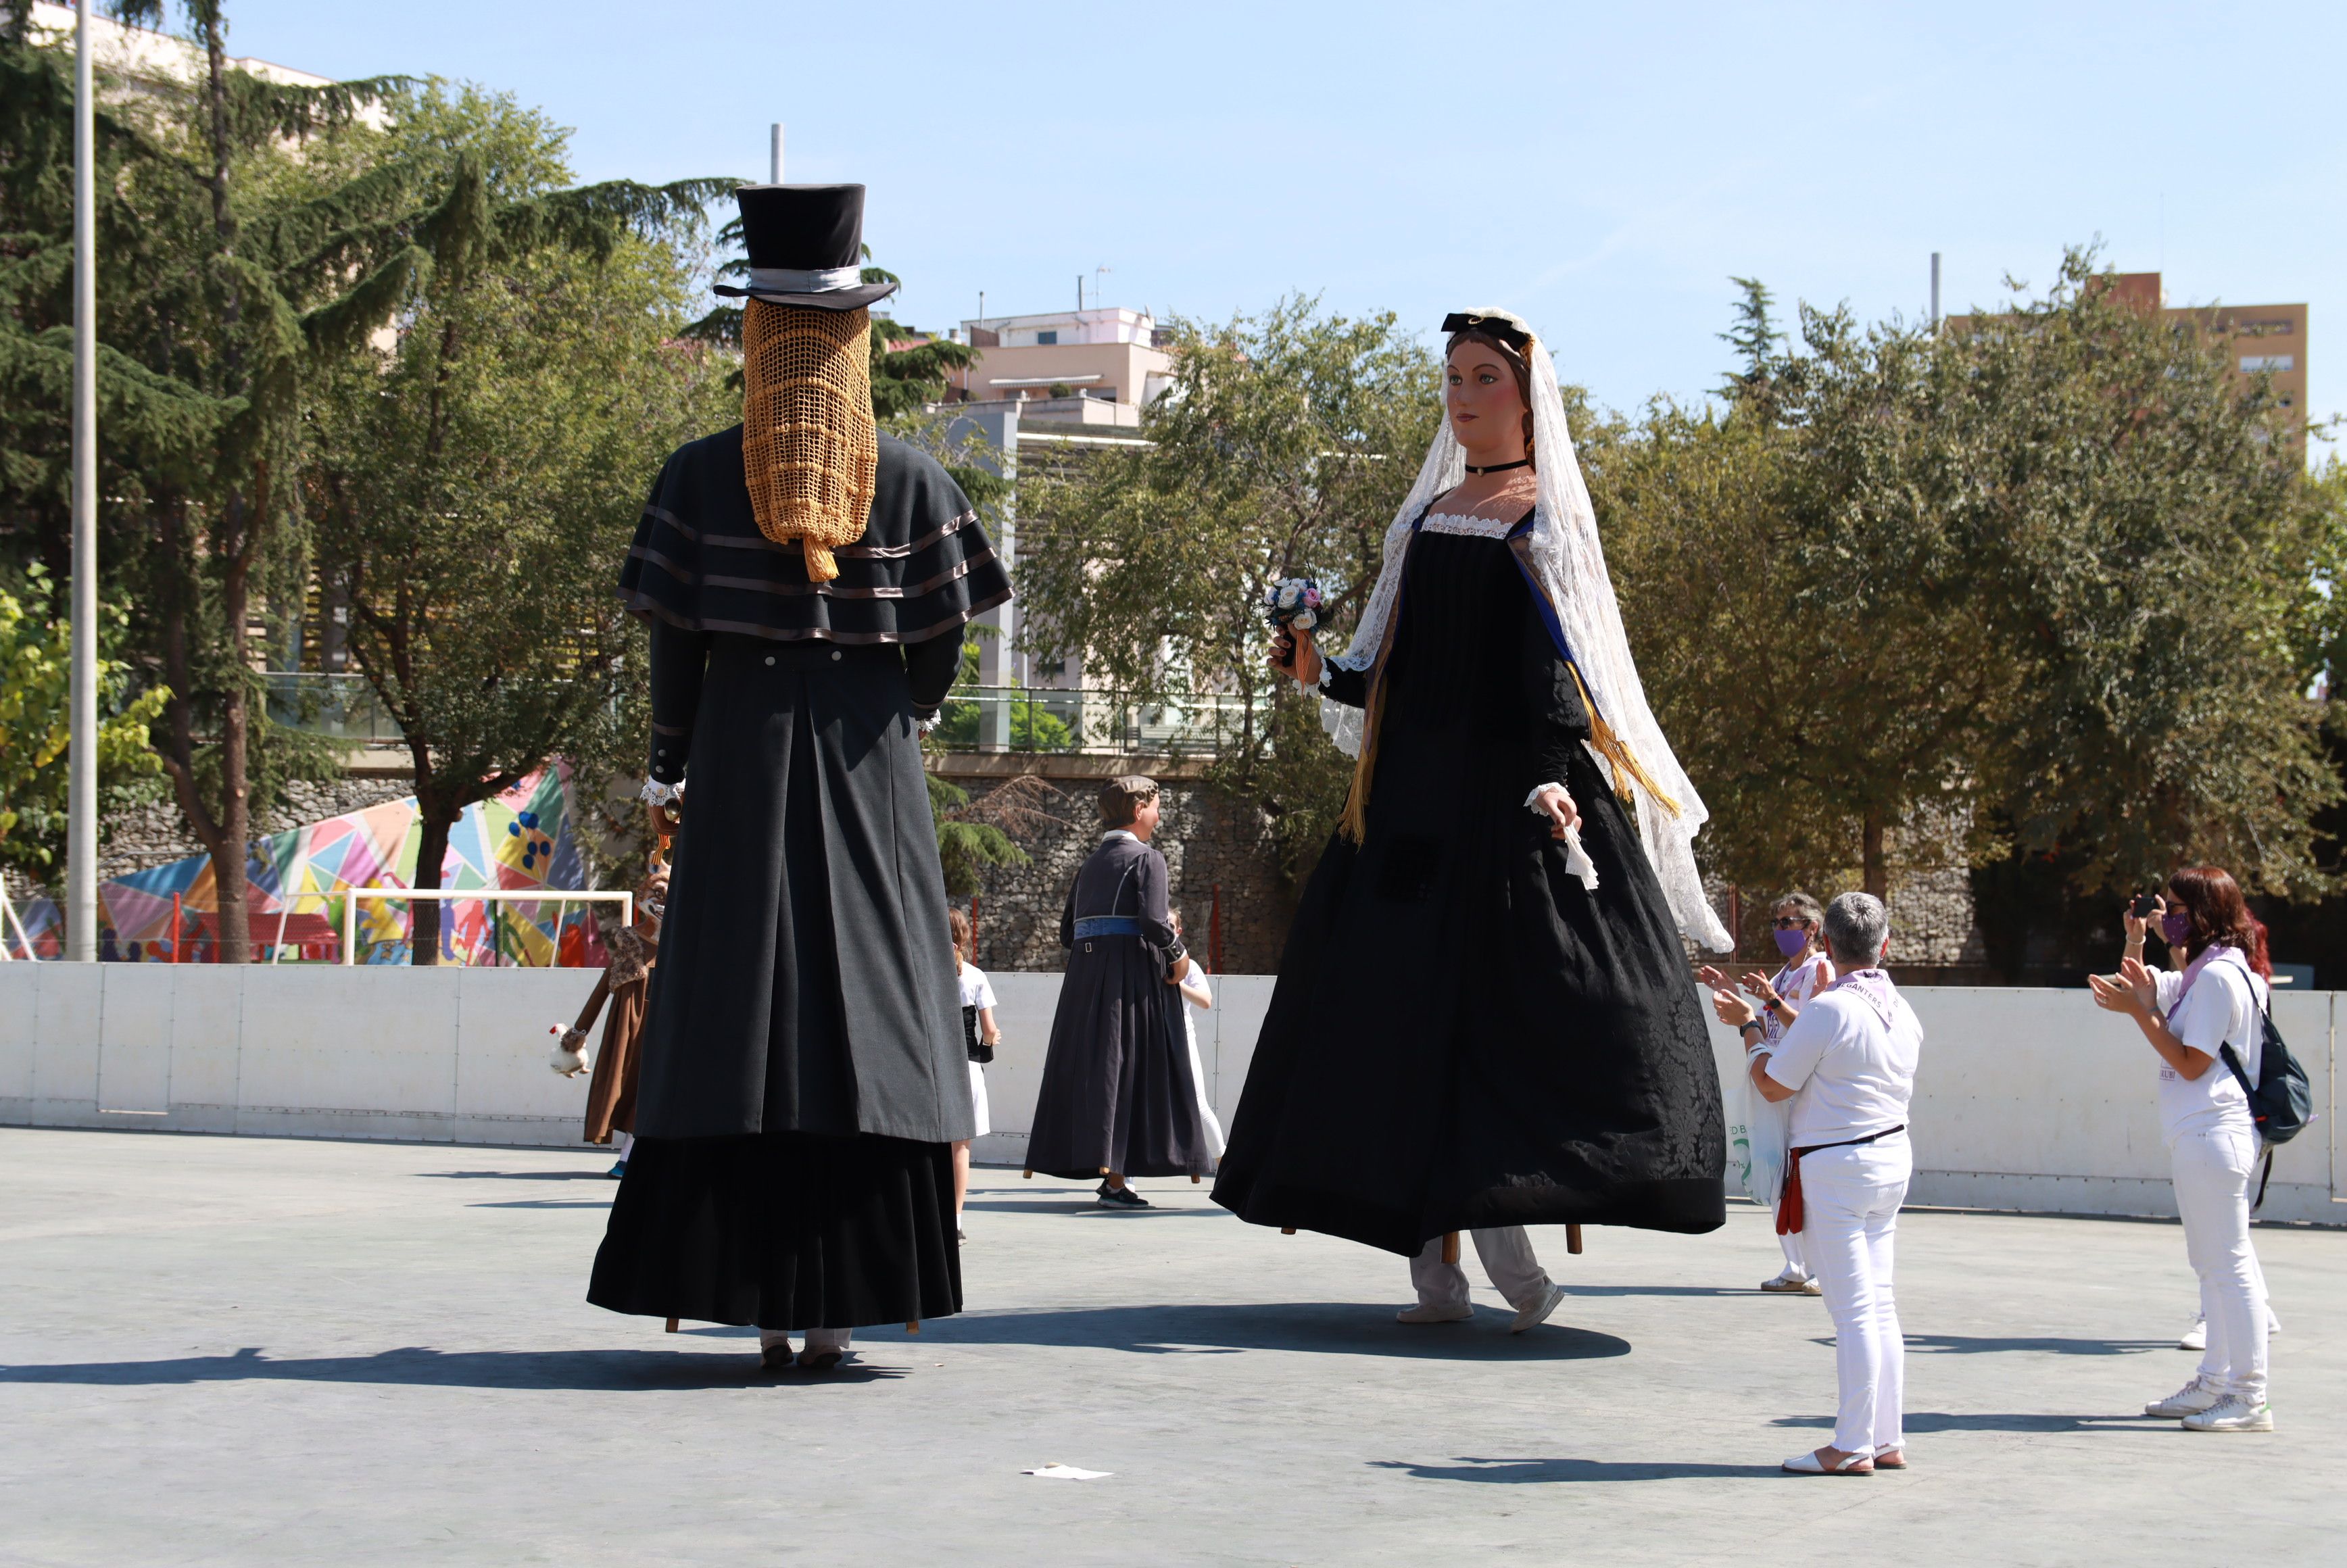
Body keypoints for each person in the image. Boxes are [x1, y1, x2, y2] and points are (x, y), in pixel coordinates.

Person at [1212, 309, 1732, 1314]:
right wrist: (1323, 669)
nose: (1461, 393)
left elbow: (1560, 667)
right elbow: (1393, 669)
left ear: (1528, 397)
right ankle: (1433, 1260)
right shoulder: (1432, 513)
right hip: (1407, 806)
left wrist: (1548, 777)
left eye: (1484, 375)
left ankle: (1505, 1250)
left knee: (1521, 1015)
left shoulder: (1547, 518)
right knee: (1385, 1013)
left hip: (1504, 802)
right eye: (1453, 374)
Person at [587, 182, 1013, 1373]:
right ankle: (842, 1299)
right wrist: (891, 712)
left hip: (741, 757)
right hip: (870, 765)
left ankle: (754, 1296)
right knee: (867, 1013)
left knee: (736, 1012)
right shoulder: (918, 481)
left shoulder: (696, 477)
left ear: (757, 338)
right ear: (853, 335)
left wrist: (678, 757)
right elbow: (941, 645)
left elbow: (677, 647)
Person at [1716, 892, 1918, 1476]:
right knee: (1880, 1306)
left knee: (1855, 1313)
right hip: (1889, 1159)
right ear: (1884, 946)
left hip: (1838, 1166)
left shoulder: (1832, 1009)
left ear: (1827, 944)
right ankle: (1885, 1438)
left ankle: (1853, 1443)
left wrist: (1751, 1029)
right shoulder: (1902, 1011)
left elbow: (1774, 1084)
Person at [2089, 867, 2277, 1433]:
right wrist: (2135, 938)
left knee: (2229, 1266)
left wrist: (2140, 1014)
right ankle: (2216, 1380)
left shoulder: (2220, 978)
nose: (2168, 916)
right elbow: (2138, 983)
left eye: (2176, 908)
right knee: (2213, 1265)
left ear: (2205, 913)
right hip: (2202, 1132)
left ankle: (2248, 1394)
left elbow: (2192, 1061)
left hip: (2214, 1131)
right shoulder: (2204, 973)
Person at [1025, 777, 1216, 1206]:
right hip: (1132, 984)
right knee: (1137, 1070)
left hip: (1085, 984)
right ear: (1138, 811)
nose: (1160, 815)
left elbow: (1066, 933)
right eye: (1157, 807)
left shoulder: (1090, 864)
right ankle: (1117, 1181)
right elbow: (1153, 921)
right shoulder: (1149, 859)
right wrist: (1180, 955)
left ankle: (1114, 1179)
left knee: (1104, 1072)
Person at [1701, 892, 1835, 1294]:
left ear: (1812, 928)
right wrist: (1736, 997)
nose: (1780, 931)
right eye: (1776, 923)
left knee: (1801, 1180)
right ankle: (1796, 1267)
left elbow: (1812, 1031)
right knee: (1780, 1176)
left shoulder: (1819, 970)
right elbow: (1758, 1025)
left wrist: (1772, 1002)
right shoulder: (1780, 976)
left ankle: (1814, 1268)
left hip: (1800, 1090)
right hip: (1774, 1085)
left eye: (1788, 923)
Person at [559, 868, 669, 1177]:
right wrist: (578, 1034)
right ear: (642, 897)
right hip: (631, 1031)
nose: (664, 904)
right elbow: (603, 988)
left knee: (655, 1090)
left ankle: (634, 1157)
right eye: (657, 895)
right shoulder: (632, 942)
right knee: (628, 1087)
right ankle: (628, 1157)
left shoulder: (686, 944)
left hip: (669, 1031)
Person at [949, 906, 999, 1242]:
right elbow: (989, 1030)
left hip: (933, 1067)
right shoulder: (976, 976)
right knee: (960, 1149)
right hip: (966, 1067)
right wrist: (992, 1042)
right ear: (964, 936)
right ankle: (954, 1220)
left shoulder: (923, 973)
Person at [1166, 909, 1227, 1165]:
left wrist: (1177, 982)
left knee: (1199, 1104)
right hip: (1151, 1041)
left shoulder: (1189, 966)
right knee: (1140, 1107)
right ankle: (1125, 1182)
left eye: (1170, 926)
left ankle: (1225, 1165)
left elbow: (1206, 1001)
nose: (1165, 929)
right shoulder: (1144, 962)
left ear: (1178, 931)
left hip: (1182, 1039)